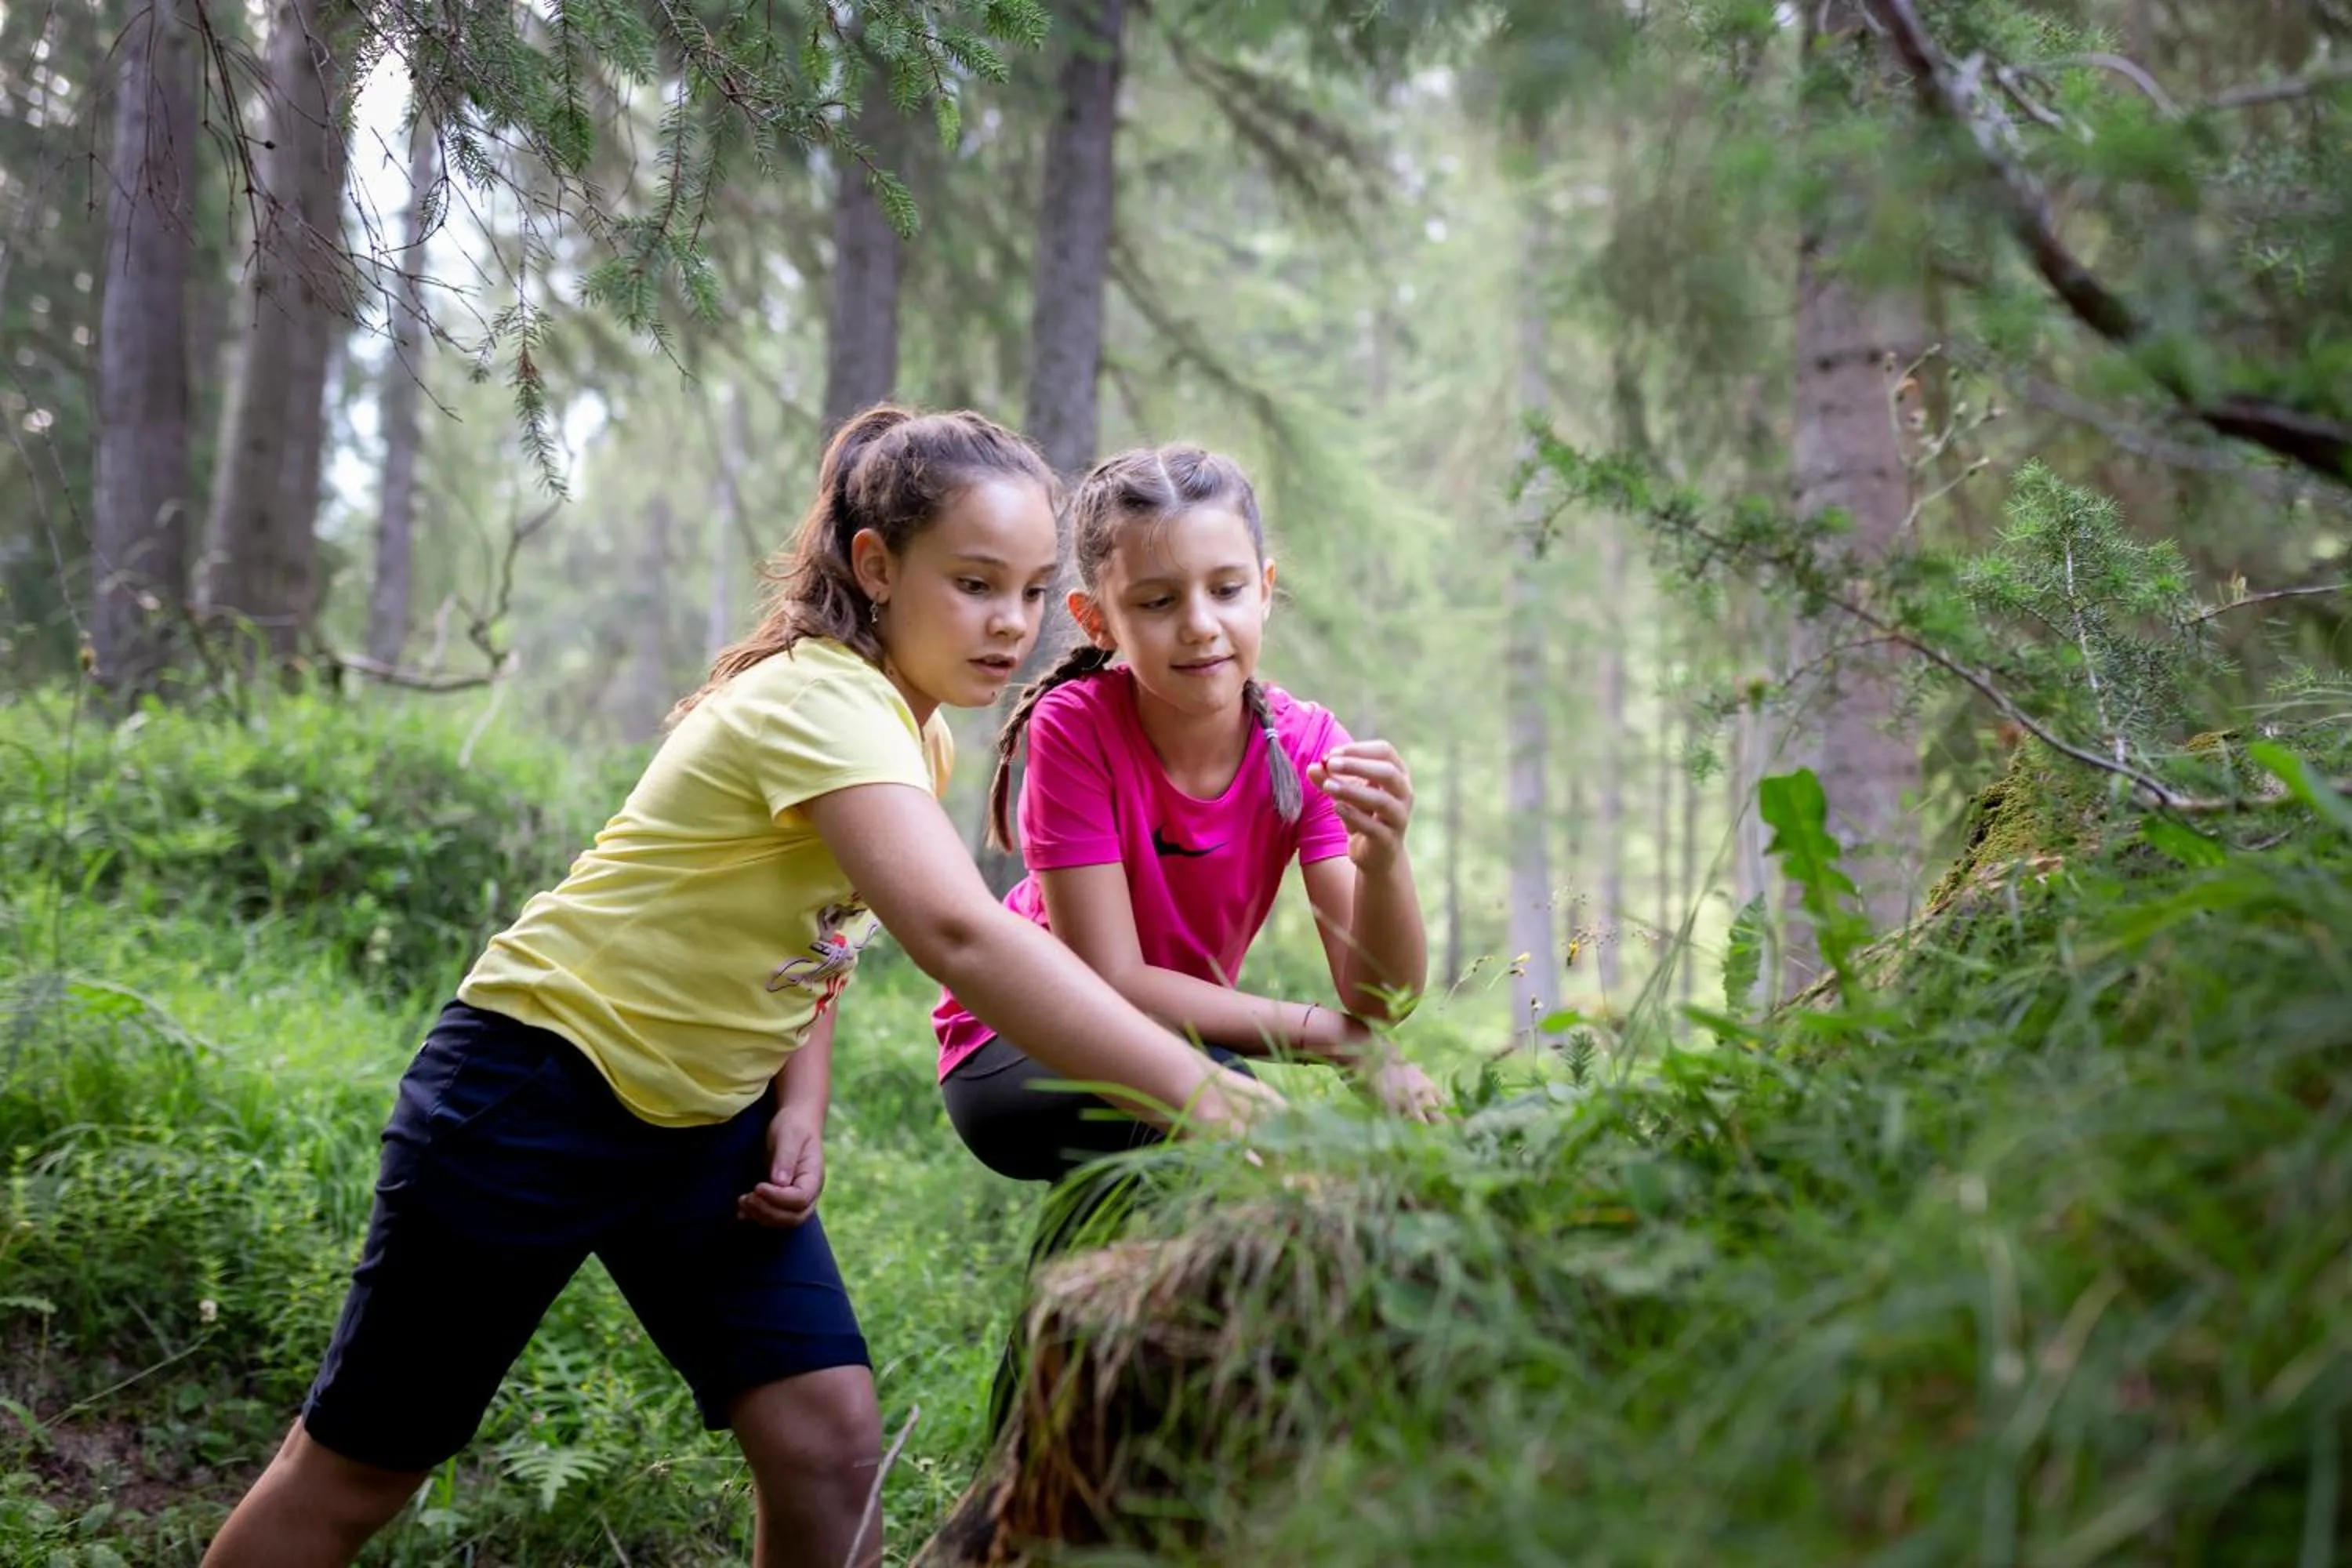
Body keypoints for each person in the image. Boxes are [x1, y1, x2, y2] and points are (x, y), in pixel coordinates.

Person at [200, 408, 1282, 1568]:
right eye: (973, 585)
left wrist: (797, 1104)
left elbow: (815, 931)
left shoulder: (912, 735)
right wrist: (1198, 1092)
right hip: (530, 1089)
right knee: (360, 1470)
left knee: (826, 1442)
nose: (1010, 625)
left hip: (700, 1130)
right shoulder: (820, 701)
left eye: (1028, 591)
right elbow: (960, 935)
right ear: (877, 567)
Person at [933, 442, 1440, 1190]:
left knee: (1213, 1137)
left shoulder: (1306, 747)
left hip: (1175, 1037)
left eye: (1227, 589)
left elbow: (1376, 997)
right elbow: (1112, 978)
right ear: (1097, 620)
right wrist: (1337, 1042)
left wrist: (1385, 862)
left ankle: (1095, 1296)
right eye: (1158, 601)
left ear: (1265, 591)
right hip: (1018, 1040)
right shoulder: (1076, 727)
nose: (1201, 625)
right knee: (1240, 1126)